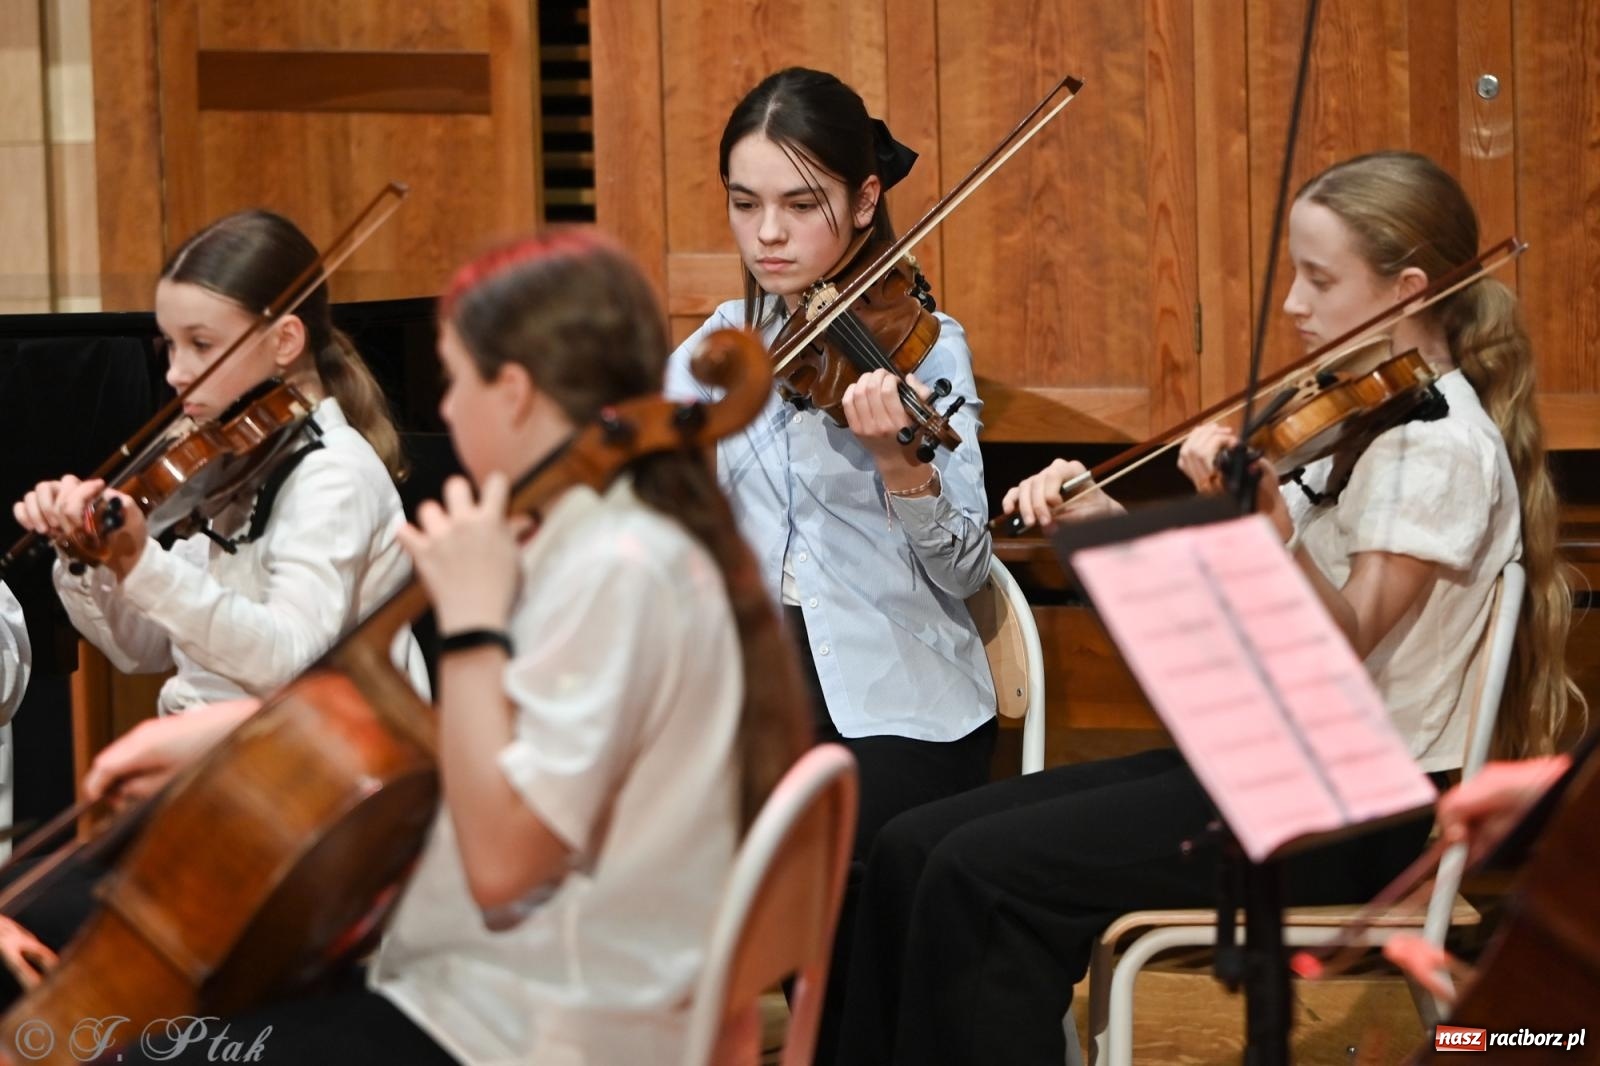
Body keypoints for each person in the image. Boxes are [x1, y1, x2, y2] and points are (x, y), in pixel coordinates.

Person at [836, 150, 1581, 1065]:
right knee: (912, 846)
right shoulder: (1361, 422)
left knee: (983, 880)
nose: (1295, 305)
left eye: (1319, 278)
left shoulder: (1435, 449)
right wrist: (1109, 522)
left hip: (1359, 813)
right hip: (1275, 765)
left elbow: (1337, 649)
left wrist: (1269, 538)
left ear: (1410, 288)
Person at [101, 229, 812, 1064]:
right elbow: (500, 770)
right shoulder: (621, 542)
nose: (445, 410)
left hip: (534, 1021)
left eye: (457, 379)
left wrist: (473, 630)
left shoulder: (617, 569)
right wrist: (232, 737)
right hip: (506, 986)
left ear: (512, 392)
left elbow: (505, 863)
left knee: (135, 1048)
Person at [1, 208, 427, 995]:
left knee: (33, 947)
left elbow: (288, 663)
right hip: (207, 796)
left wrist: (144, 564)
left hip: (298, 810)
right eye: (170, 345)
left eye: (202, 345)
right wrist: (90, 560)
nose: (174, 371)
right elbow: (144, 649)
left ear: (285, 341)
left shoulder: (331, 476)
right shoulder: (231, 465)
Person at [663, 67, 997, 1061]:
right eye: (745, 203)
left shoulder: (925, 353)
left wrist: (902, 463)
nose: (767, 234)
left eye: (800, 205)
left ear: (861, 201)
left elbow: (968, 571)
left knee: (861, 862)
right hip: (757, 686)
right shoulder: (710, 354)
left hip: (898, 697)